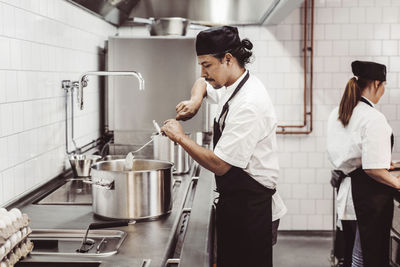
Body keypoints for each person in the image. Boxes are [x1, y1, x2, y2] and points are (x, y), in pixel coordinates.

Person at [161, 26, 285, 267]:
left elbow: (220, 165)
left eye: (207, 65)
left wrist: (181, 138)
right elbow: (201, 84)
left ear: (228, 59)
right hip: (237, 200)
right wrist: (196, 101)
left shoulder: (249, 103)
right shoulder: (232, 85)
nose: (203, 72)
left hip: (250, 208)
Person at [327, 60, 400, 267]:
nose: (383, 90)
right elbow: (373, 169)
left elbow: (353, 154)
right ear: (377, 84)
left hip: (348, 193)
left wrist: (386, 163)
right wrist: (396, 183)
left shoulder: (338, 113)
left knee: (354, 252)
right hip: (368, 197)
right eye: (384, 86)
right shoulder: (373, 118)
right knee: (369, 255)